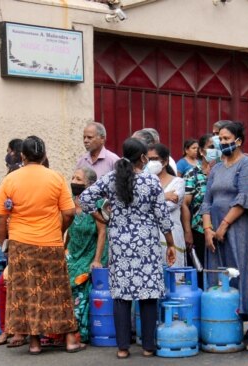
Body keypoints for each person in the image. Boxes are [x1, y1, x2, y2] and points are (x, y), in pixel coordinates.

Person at [79, 138, 176, 359]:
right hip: (147, 246)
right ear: (142, 157)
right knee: (148, 295)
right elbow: (162, 216)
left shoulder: (111, 178)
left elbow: (84, 199)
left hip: (120, 244)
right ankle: (148, 347)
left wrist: (103, 216)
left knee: (121, 296)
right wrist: (170, 243)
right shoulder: (151, 181)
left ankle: (123, 348)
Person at [0, 135, 85, 355]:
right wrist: (60, 230)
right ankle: (71, 339)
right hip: (51, 243)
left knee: (26, 292)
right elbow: (70, 212)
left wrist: (2, 238)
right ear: (44, 155)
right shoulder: (56, 178)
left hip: (21, 244)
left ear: (22, 156)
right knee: (58, 291)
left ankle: (34, 343)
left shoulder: (11, 180)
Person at [200, 122, 248, 317]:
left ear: (238, 141)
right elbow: (207, 201)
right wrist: (208, 229)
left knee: (239, 267)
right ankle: (219, 315)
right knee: (218, 269)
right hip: (214, 225)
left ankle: (243, 313)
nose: (222, 142)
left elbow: (244, 197)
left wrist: (224, 225)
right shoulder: (215, 168)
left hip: (238, 225)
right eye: (220, 139)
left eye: (227, 138)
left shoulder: (247, 163)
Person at [64, 167, 109, 344]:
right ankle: (63, 329)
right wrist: (64, 248)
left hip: (91, 253)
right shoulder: (70, 202)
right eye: (73, 177)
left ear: (89, 184)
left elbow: (102, 231)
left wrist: (97, 259)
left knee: (78, 279)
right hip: (74, 252)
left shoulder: (97, 203)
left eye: (78, 179)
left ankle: (79, 329)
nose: (74, 182)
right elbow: (69, 229)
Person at [182, 134, 216, 287]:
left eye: (217, 148)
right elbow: (185, 203)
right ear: (202, 152)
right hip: (199, 231)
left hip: (224, 230)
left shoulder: (226, 171)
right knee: (200, 272)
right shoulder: (192, 174)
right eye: (211, 147)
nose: (215, 151)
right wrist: (188, 232)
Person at [147, 143, 185, 268]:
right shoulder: (144, 183)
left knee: (173, 276)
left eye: (154, 159)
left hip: (172, 236)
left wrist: (150, 201)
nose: (150, 163)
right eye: (148, 159)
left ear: (165, 161)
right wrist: (164, 195)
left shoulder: (178, 182)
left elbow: (167, 206)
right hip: (149, 237)